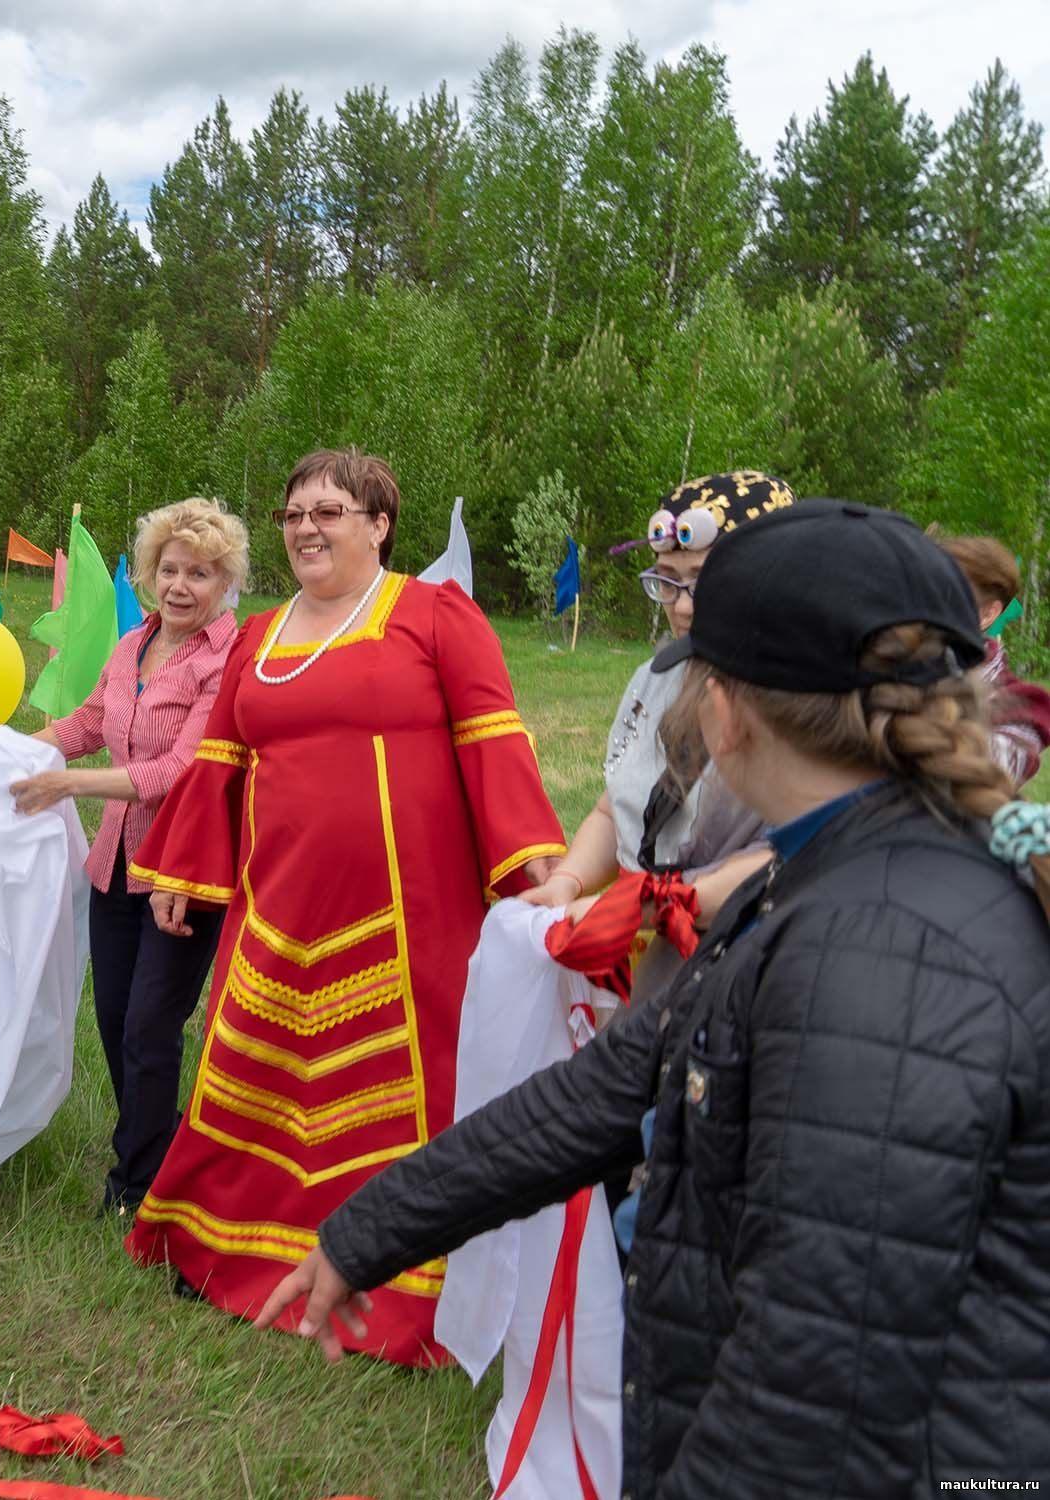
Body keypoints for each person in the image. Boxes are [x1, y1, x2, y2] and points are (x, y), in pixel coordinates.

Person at [262, 499, 1050, 1497]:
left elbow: (806, 1406)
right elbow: (606, 1089)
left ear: (723, 711)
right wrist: (370, 1229)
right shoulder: (834, 877)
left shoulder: (879, 957)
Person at [123, 447, 566, 1366]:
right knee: (257, 1077)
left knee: (404, 1101)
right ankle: (223, 1255)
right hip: (277, 907)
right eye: (292, 515)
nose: (307, 528)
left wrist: (542, 884)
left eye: (329, 510)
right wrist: (180, 871)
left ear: (378, 524)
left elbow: (495, 747)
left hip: (410, 922)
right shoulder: (258, 637)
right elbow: (221, 762)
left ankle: (401, 1295)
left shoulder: (437, 616)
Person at [9, 498, 248, 1219]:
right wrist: (15, 748)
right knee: (114, 1021)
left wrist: (68, 785)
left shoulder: (226, 661)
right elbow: (90, 721)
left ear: (225, 583)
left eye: (199, 573)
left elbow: (182, 769)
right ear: (148, 574)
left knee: (150, 1024)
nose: (180, 586)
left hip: (184, 871)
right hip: (114, 866)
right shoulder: (132, 645)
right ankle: (161, 1147)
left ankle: (139, 1186)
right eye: (169, 569)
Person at [523, 473, 794, 992]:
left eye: (705, 581)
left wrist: (647, 905)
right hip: (649, 949)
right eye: (668, 580)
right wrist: (566, 881)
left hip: (747, 960)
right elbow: (616, 806)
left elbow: (796, 853)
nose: (684, 605)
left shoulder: (800, 696)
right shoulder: (658, 676)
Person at [938, 531, 1050, 787]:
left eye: (947, 594)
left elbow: (982, 780)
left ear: (988, 614)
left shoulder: (1021, 704)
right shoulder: (888, 662)